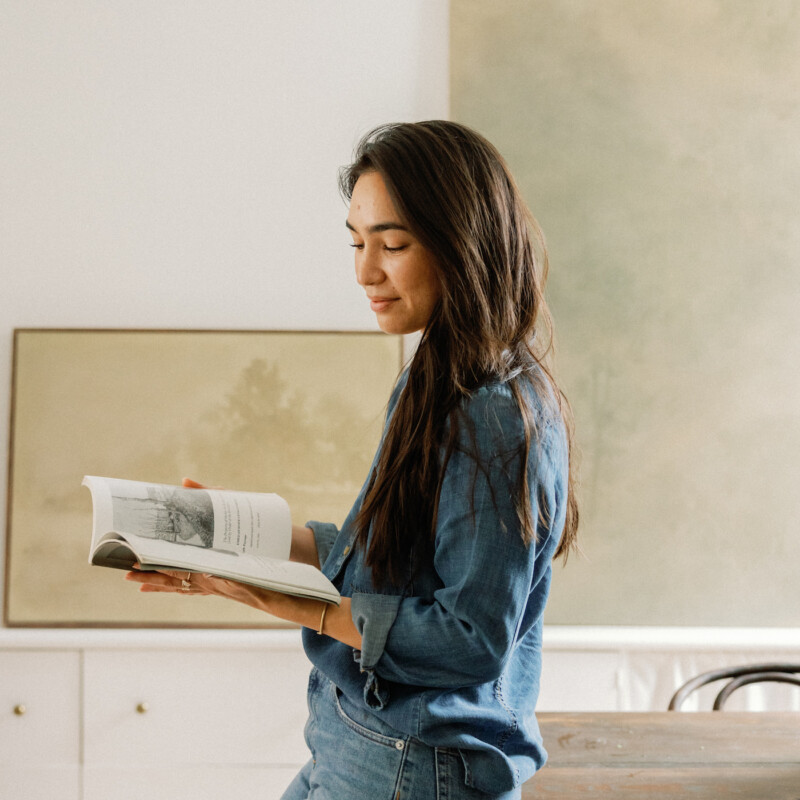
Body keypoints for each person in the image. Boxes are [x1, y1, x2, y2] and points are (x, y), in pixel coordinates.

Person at [125, 120, 579, 800]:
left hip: (412, 765)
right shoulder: (438, 375)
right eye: (357, 242)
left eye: (392, 245)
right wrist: (238, 531)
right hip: (360, 737)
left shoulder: (492, 414)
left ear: (463, 243)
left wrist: (282, 598)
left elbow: (469, 639)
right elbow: (390, 561)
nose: (365, 272)